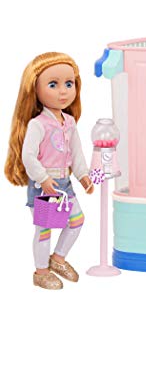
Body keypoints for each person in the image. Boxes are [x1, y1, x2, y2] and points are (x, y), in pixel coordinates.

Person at [5, 52, 94, 290]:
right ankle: (41, 272)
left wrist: (83, 176)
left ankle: (58, 259)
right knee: (44, 229)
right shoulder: (38, 124)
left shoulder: (69, 122)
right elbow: (28, 156)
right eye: (53, 84)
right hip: (44, 184)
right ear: (34, 88)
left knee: (76, 220)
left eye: (69, 83)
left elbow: (76, 152)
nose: (63, 91)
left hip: (64, 183)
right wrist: (43, 178)